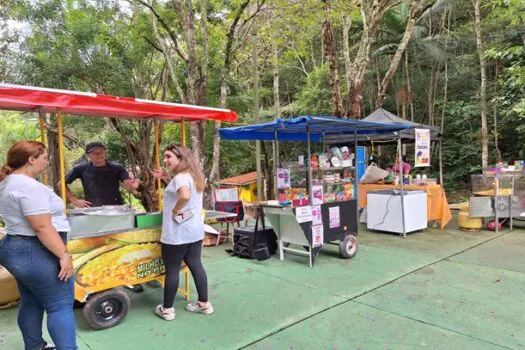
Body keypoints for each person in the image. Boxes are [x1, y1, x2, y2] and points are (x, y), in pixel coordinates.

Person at [0, 140, 76, 350]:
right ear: (31, 159)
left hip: (16, 248)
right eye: (44, 158)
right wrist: (63, 255)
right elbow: (41, 227)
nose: (46, 162)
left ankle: (34, 346)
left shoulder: (8, 182)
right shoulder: (27, 186)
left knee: (31, 301)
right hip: (36, 250)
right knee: (60, 305)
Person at [152, 143, 213, 321]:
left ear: (181, 158)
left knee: (172, 269)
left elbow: (184, 195)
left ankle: (167, 309)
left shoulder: (180, 178)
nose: (165, 160)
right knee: (196, 264)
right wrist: (164, 177)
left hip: (176, 233)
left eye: (168, 156)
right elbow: (179, 190)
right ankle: (204, 304)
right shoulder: (194, 176)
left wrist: (175, 210)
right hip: (194, 231)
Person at [64, 142, 139, 208]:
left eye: (101, 152)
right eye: (94, 153)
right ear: (88, 155)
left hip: (116, 208)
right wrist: (74, 200)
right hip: (92, 209)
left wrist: (132, 185)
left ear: (105, 152)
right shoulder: (80, 169)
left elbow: (127, 184)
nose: (98, 155)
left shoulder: (118, 168)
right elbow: (60, 184)